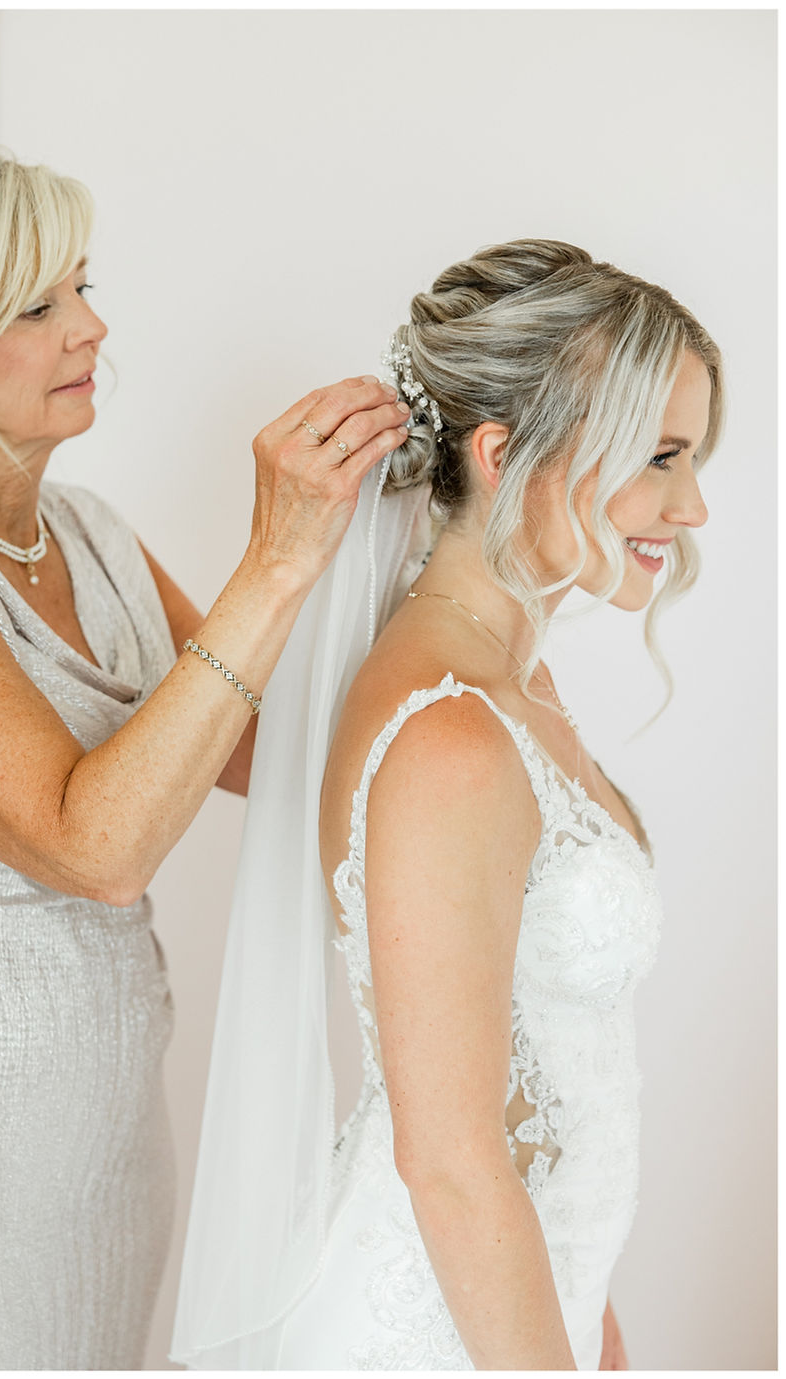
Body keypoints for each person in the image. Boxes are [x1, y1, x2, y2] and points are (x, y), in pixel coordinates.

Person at [0, 133, 410, 1371]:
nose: (90, 329)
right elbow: (97, 848)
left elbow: (254, 752)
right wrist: (276, 560)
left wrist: (422, 559)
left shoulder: (90, 531)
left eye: (82, 287)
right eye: (35, 307)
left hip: (103, 1148)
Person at [170, 240, 723, 1369]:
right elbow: (454, 1160)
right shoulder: (451, 737)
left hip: (530, 1304)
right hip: (428, 1327)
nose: (692, 504)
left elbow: (547, 1089)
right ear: (503, 452)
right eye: (658, 456)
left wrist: (595, 1324)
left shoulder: (514, 684)